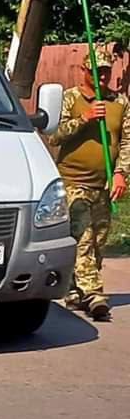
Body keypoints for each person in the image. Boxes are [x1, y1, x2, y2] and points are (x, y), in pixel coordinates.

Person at [50, 50, 130, 321]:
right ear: (83, 70)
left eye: (106, 72)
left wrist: (121, 173)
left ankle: (75, 292)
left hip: (102, 183)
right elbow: (55, 137)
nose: (102, 77)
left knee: (97, 242)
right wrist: (83, 119)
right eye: (96, 71)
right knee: (83, 239)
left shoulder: (119, 101)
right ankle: (95, 294)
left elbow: (127, 141)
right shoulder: (71, 98)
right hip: (73, 181)